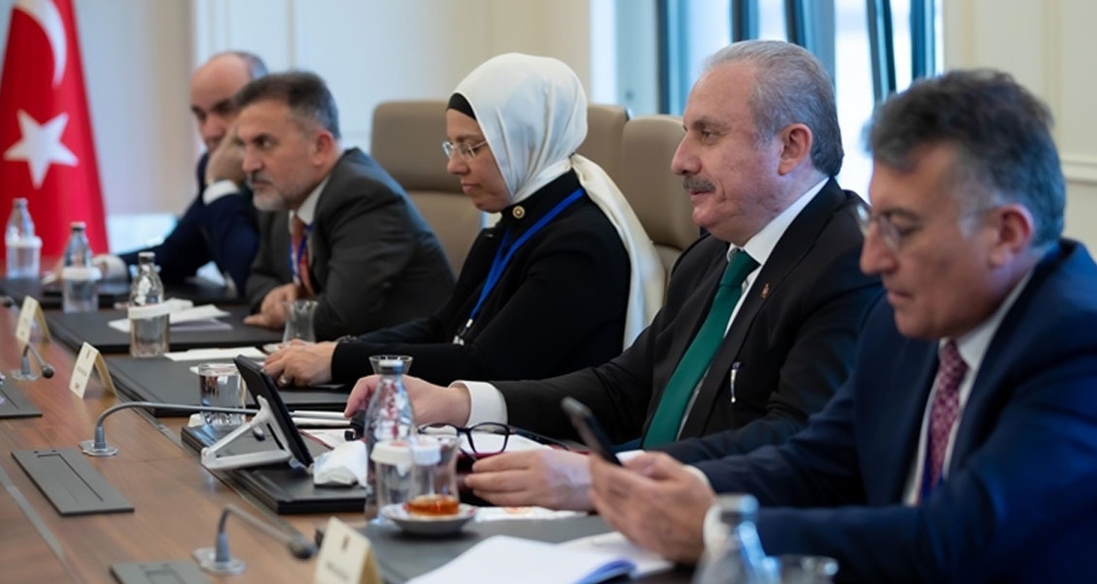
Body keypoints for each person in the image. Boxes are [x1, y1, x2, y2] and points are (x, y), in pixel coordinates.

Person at [588, 69, 1097, 582]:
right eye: (875, 223)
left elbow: (955, 540)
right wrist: (673, 483)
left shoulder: (1094, 349)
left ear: (1006, 234)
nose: (872, 259)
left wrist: (720, 529)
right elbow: (816, 462)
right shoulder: (909, 320)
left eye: (901, 228)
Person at [345, 40, 883, 509]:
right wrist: (461, 401)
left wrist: (606, 478)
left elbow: (794, 439)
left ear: (791, 147)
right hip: (640, 515)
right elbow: (625, 386)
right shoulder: (710, 255)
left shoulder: (849, 264)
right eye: (686, 134)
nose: (679, 161)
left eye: (708, 135)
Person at [264, 53, 664, 389]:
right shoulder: (514, 221)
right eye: (452, 146)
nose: (453, 166)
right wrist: (336, 350)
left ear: (524, 143)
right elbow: (441, 327)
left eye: (470, 148)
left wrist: (340, 361)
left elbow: (485, 366)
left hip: (544, 441)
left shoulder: (579, 245)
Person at [234, 71, 455, 340]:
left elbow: (339, 318)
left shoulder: (364, 197)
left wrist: (290, 310)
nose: (248, 165)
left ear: (320, 146)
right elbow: (257, 277)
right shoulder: (284, 194)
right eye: (244, 146)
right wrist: (273, 296)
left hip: (404, 361)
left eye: (264, 143)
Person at [89, 51, 263, 294]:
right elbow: (180, 252)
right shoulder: (210, 167)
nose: (209, 132)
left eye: (226, 109)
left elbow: (251, 278)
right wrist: (99, 268)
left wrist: (221, 186)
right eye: (200, 116)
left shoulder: (282, 172)